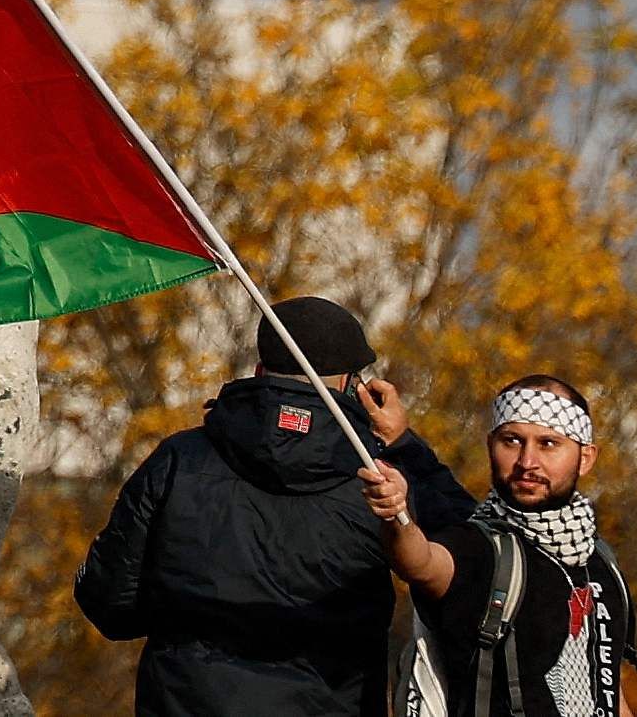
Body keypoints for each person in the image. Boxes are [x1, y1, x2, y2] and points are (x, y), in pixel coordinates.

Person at [78, 300, 461, 717]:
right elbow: (476, 557)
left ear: (260, 372)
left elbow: (108, 602)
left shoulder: (179, 459)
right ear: (354, 387)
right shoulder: (383, 480)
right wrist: (404, 444)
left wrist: (188, 629)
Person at [416, 379, 637, 717]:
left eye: (548, 443)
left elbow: (607, 690)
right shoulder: (481, 548)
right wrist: (396, 520)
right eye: (512, 441)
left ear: (585, 457)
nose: (527, 461)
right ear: (491, 444)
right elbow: (420, 562)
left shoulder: (600, 560)